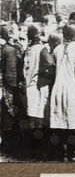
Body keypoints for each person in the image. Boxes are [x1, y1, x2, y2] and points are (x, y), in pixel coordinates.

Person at [50, 21, 75, 162]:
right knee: (74, 122)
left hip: (58, 87)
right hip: (73, 88)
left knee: (61, 120)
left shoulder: (58, 48)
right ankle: (73, 153)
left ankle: (61, 153)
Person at [23, 23, 51, 159]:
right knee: (40, 118)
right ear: (39, 35)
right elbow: (51, 62)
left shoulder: (28, 49)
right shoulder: (42, 49)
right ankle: (40, 152)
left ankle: (33, 150)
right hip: (38, 85)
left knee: (32, 118)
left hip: (29, 86)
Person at [0, 23, 23, 154]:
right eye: (16, 31)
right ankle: (10, 147)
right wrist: (15, 88)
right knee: (11, 115)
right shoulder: (11, 50)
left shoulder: (7, 48)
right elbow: (11, 72)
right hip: (11, 87)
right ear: (10, 34)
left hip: (8, 86)